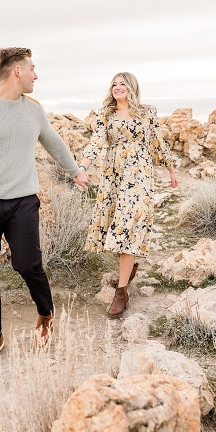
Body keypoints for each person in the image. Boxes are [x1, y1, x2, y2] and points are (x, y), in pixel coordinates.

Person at [0, 47, 89, 369]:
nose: (36, 75)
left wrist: (76, 171)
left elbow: (53, 142)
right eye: (32, 69)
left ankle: (45, 315)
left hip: (23, 201)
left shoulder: (34, 109)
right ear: (16, 71)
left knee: (29, 264)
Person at [79, 72, 178, 319]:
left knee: (129, 228)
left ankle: (121, 292)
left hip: (139, 176)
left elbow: (158, 143)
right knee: (115, 229)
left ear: (132, 87)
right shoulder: (106, 114)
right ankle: (129, 266)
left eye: (122, 83)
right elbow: (96, 142)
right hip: (114, 177)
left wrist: (171, 170)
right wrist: (82, 166)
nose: (117, 87)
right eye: (114, 84)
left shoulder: (147, 113)